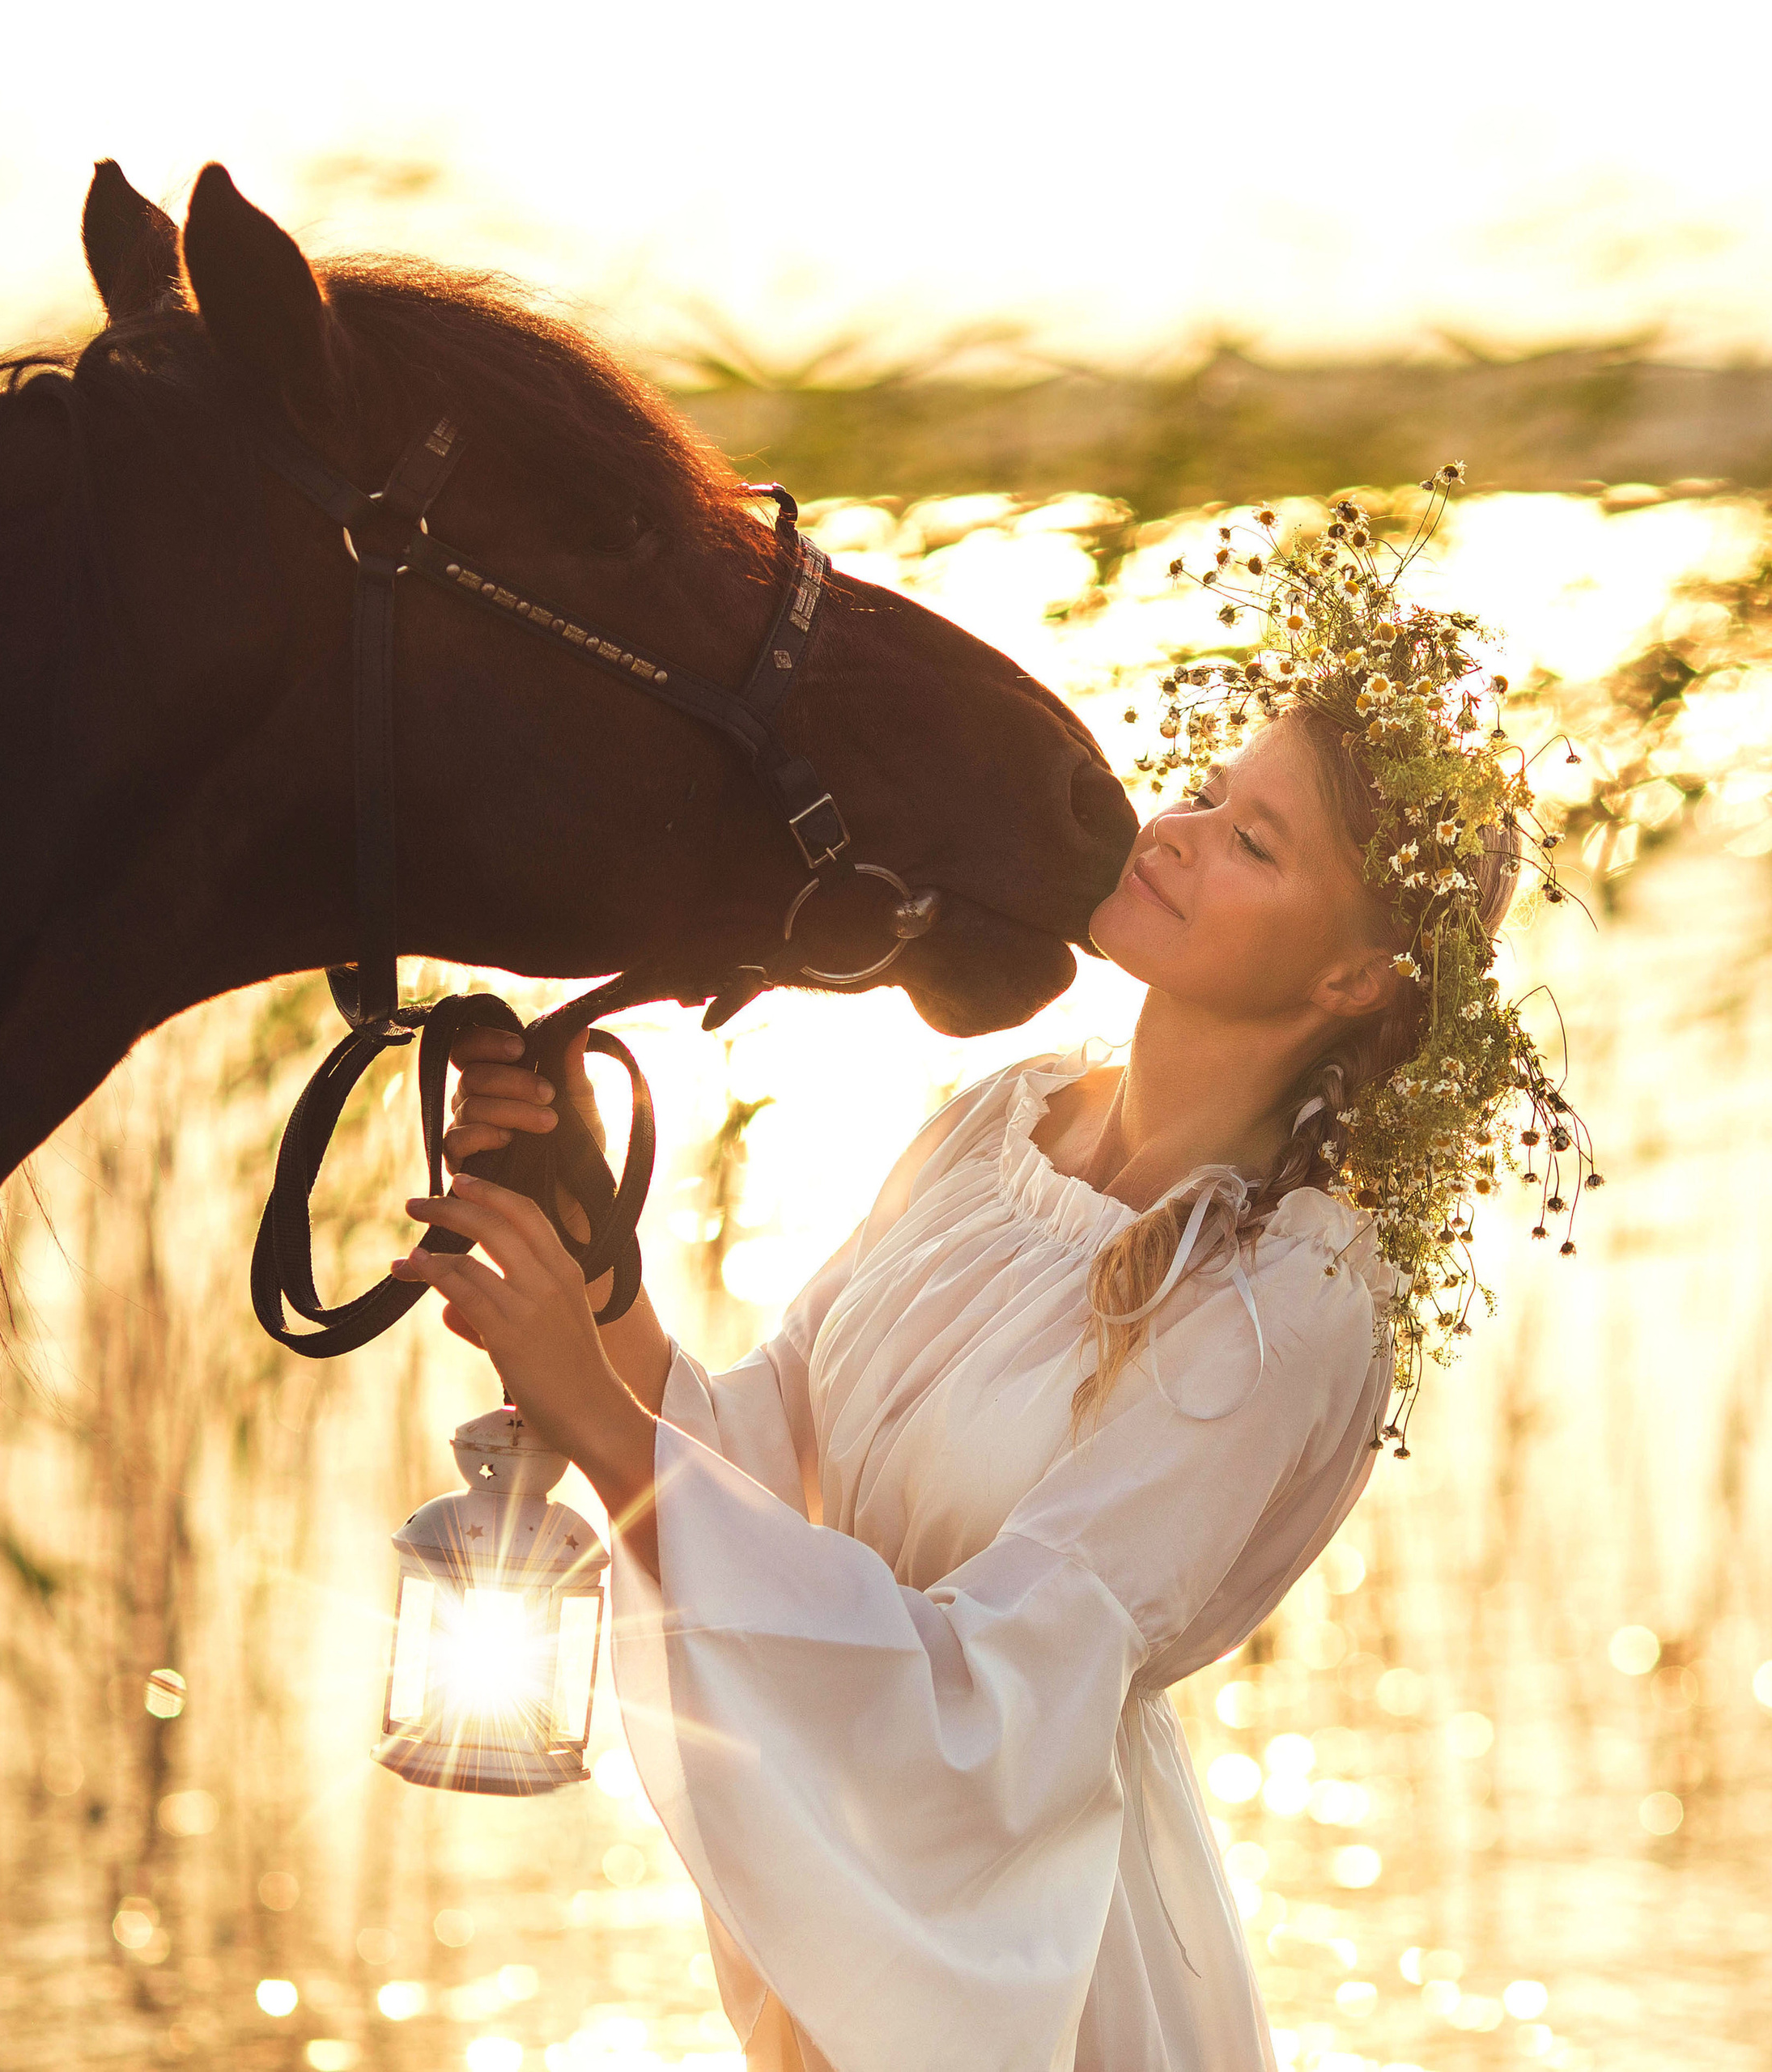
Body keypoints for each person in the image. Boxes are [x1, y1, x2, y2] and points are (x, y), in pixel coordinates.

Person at [388, 512, 1561, 2069]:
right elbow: (762, 1457)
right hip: (845, 1943)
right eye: (1209, 792)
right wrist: (585, 1246)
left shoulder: (1294, 1301)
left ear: (1356, 980)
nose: (1179, 828)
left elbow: (988, 1702)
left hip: (1030, 1968)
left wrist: (604, 1428)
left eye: (1254, 842)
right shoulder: (1002, 1124)